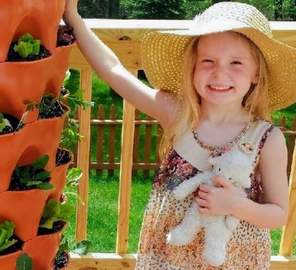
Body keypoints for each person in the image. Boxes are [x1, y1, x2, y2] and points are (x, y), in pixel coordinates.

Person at [63, 1, 296, 269]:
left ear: (256, 73)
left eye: (236, 63)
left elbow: (278, 214)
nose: (220, 73)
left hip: (235, 260)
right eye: (208, 61)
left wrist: (236, 205)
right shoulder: (178, 115)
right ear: (193, 67)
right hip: (169, 257)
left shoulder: (266, 138)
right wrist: (74, 18)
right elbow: (113, 70)